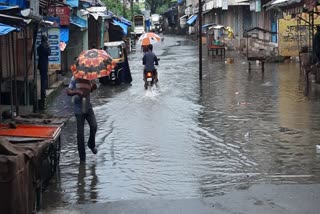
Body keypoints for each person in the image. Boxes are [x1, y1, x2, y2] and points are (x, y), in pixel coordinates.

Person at [66, 76, 98, 162]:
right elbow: (68, 91)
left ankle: (91, 144)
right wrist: (77, 92)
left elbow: (90, 90)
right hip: (78, 109)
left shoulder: (89, 78)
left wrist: (93, 87)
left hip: (88, 107)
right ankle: (82, 159)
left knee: (94, 126)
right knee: (80, 135)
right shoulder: (74, 78)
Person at [37, 35, 51, 109]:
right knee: (43, 79)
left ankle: (43, 92)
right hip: (44, 65)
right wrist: (48, 46)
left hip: (40, 65)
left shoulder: (39, 47)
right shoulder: (44, 47)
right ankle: (43, 93)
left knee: (43, 79)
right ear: (45, 40)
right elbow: (49, 53)